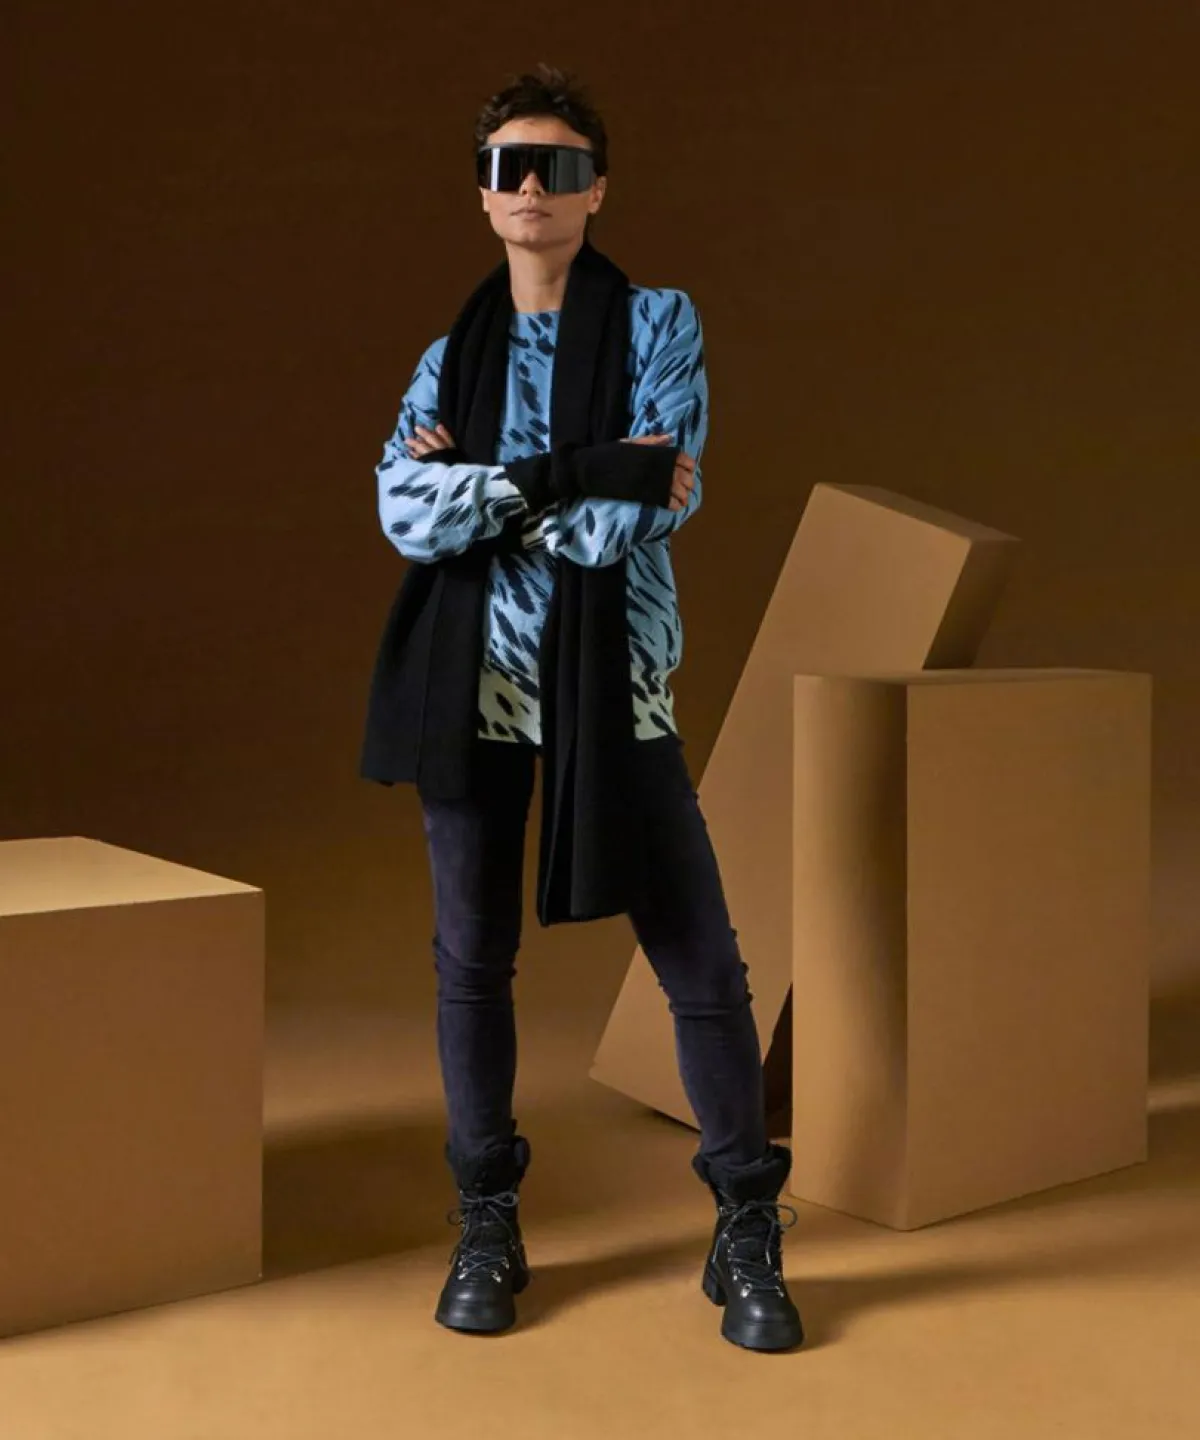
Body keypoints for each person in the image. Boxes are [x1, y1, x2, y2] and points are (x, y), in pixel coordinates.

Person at [360, 63, 803, 1353]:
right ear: (482, 195)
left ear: (597, 189)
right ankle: (486, 1218)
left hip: (615, 685)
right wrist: (571, 472)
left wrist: (487, 486)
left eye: (556, 168)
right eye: (508, 168)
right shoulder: (450, 355)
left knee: (700, 960)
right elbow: (402, 513)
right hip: (472, 686)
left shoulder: (660, 323)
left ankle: (746, 1225)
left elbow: (631, 519)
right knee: (470, 960)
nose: (531, 189)